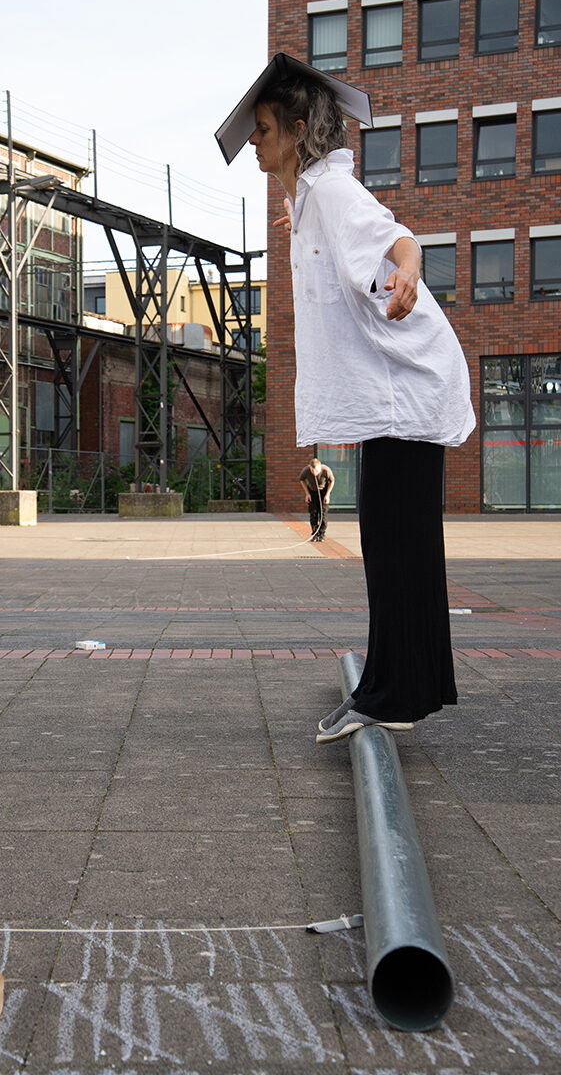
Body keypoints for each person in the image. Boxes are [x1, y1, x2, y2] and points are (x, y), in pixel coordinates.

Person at [216, 54, 475, 744]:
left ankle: (391, 694)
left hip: (406, 393)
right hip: (396, 398)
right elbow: (338, 219)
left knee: (396, 551)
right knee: (398, 549)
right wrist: (297, 218)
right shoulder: (312, 200)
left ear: (298, 130)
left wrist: (408, 271)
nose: (254, 143)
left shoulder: (332, 193)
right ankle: (401, 688)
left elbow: (394, 235)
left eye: (264, 130)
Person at [299, 456, 334, 541]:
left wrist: (327, 495)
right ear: (310, 467)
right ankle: (314, 533)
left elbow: (332, 481)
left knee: (323, 514)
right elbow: (302, 480)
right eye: (312, 470)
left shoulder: (326, 470)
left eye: (316, 470)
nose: (314, 472)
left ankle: (321, 534)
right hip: (312, 491)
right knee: (313, 513)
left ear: (320, 467)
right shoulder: (306, 470)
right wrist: (307, 494)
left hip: (323, 491)